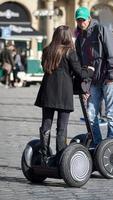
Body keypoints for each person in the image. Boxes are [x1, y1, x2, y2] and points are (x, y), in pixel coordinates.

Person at [34, 25, 94, 164]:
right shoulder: (70, 52)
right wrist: (90, 70)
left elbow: (45, 67)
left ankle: (43, 157)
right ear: (68, 37)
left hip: (47, 92)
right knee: (62, 127)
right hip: (63, 94)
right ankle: (60, 157)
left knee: (46, 125)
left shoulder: (47, 50)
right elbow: (80, 73)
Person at [75, 7, 113, 147]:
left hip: (108, 79)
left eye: (83, 19)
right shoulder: (79, 39)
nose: (81, 22)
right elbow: (82, 63)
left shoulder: (101, 30)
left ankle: (111, 144)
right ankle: (98, 145)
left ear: (89, 18)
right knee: (90, 115)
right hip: (94, 81)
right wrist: (86, 85)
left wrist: (112, 76)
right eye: (78, 20)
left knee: (111, 114)